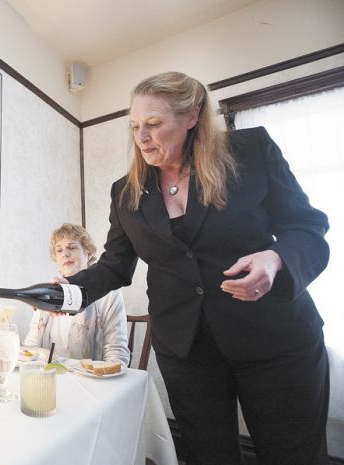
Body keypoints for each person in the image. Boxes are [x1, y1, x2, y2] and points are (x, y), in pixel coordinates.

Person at [62, 72, 330, 464]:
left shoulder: (250, 151)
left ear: (192, 117)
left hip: (275, 340)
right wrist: (66, 290)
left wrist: (275, 260)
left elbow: (307, 228)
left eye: (154, 124)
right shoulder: (126, 191)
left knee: (294, 456)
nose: (142, 137)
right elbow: (116, 265)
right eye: (135, 126)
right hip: (187, 352)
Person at [24, 223, 130, 366]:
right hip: (51, 380)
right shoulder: (47, 294)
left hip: (92, 383)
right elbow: (31, 347)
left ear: (88, 253)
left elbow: (117, 356)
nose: (65, 254)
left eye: (72, 248)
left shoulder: (110, 295)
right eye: (59, 250)